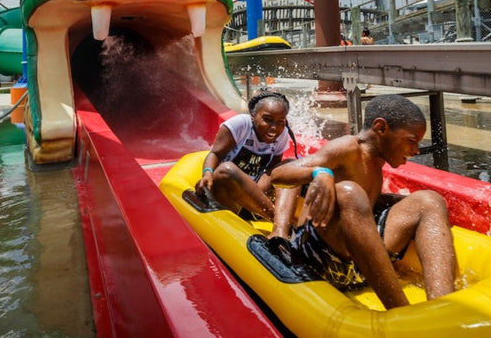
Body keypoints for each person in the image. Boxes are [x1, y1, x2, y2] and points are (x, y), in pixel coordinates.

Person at [270, 94, 457, 310]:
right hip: (317, 258)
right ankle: (402, 313)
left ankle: (444, 308)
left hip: (359, 266)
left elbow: (366, 207)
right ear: (381, 128)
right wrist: (320, 173)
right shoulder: (348, 148)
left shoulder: (376, 163)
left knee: (430, 200)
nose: (415, 151)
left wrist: (397, 201)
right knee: (349, 192)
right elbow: (279, 174)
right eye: (411, 141)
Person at [195, 90, 300, 239]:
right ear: (253, 115)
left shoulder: (282, 134)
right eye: (267, 119)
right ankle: (281, 223)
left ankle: (280, 231)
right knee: (227, 170)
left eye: (280, 122)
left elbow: (272, 172)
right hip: (227, 192)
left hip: (252, 196)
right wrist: (207, 173)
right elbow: (215, 154)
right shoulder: (240, 124)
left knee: (291, 167)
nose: (274, 127)